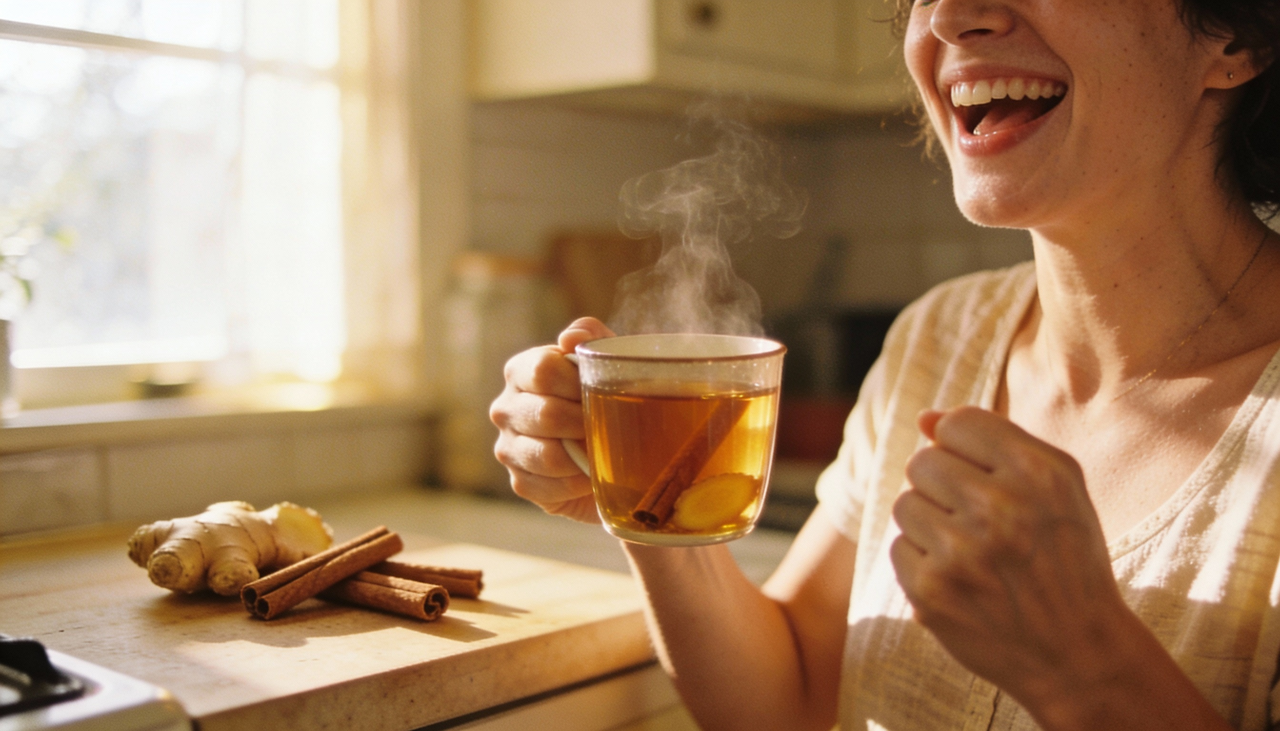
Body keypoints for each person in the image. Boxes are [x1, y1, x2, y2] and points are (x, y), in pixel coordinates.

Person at [489, 0, 1280, 727]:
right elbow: (785, 694)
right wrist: (645, 502)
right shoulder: (939, 336)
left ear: (1237, 33)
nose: (950, 17)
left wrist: (1091, 667)